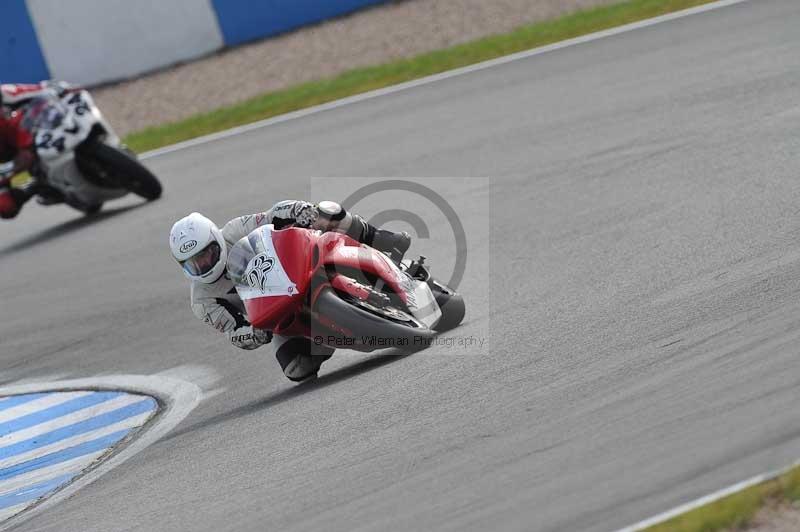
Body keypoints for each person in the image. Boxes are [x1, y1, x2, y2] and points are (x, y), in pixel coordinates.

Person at [169, 200, 410, 382]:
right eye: (193, 262)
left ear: (216, 239)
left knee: (324, 212)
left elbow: (272, 215)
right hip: (279, 315)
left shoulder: (234, 231)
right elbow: (234, 332)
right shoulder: (203, 300)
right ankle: (330, 335)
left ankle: (380, 239)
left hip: (298, 267)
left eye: (206, 254)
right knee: (296, 369)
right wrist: (255, 333)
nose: (203, 265)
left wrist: (298, 211)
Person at [0, 81, 71, 219]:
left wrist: (57, 88)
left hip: (28, 132)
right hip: (8, 159)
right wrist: (11, 169)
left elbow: (40, 89)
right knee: (6, 207)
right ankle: (36, 185)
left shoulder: (4, 93)